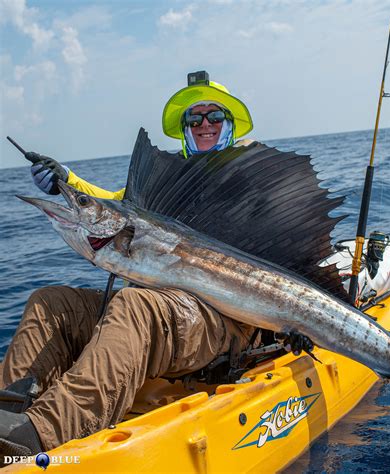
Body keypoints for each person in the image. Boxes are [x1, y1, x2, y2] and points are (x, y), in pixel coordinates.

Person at [0, 72, 262, 456]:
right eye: (194, 119)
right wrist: (65, 180)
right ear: (185, 128)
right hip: (159, 316)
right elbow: (114, 206)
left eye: (214, 116)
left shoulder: (247, 182)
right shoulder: (163, 188)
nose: (204, 125)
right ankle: (8, 411)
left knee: (134, 305)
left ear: (230, 124)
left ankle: (36, 440)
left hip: (221, 321)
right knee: (50, 302)